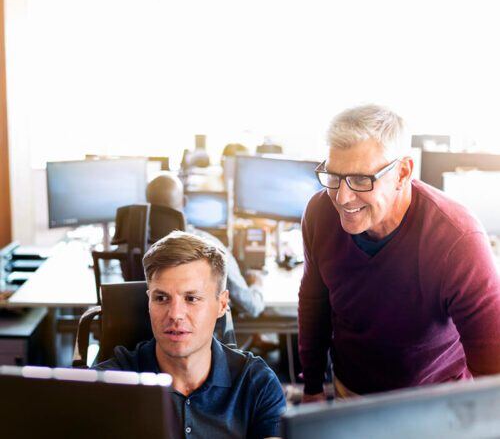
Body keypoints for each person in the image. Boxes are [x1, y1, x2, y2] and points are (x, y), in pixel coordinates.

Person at [299, 104, 500, 401]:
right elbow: (314, 303)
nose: (341, 197)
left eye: (359, 180)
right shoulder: (320, 212)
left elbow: (492, 367)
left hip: (431, 403)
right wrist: (313, 386)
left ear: (403, 172)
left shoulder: (457, 240)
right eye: (334, 176)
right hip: (350, 393)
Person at [96, 231, 286, 438]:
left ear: (222, 305)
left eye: (192, 298)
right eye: (161, 298)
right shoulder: (108, 384)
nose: (175, 315)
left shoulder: (257, 384)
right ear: (149, 301)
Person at [146, 171, 265, 318]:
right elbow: (250, 306)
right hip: (196, 336)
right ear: (183, 202)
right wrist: (257, 284)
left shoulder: (130, 246)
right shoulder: (211, 247)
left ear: (148, 206)